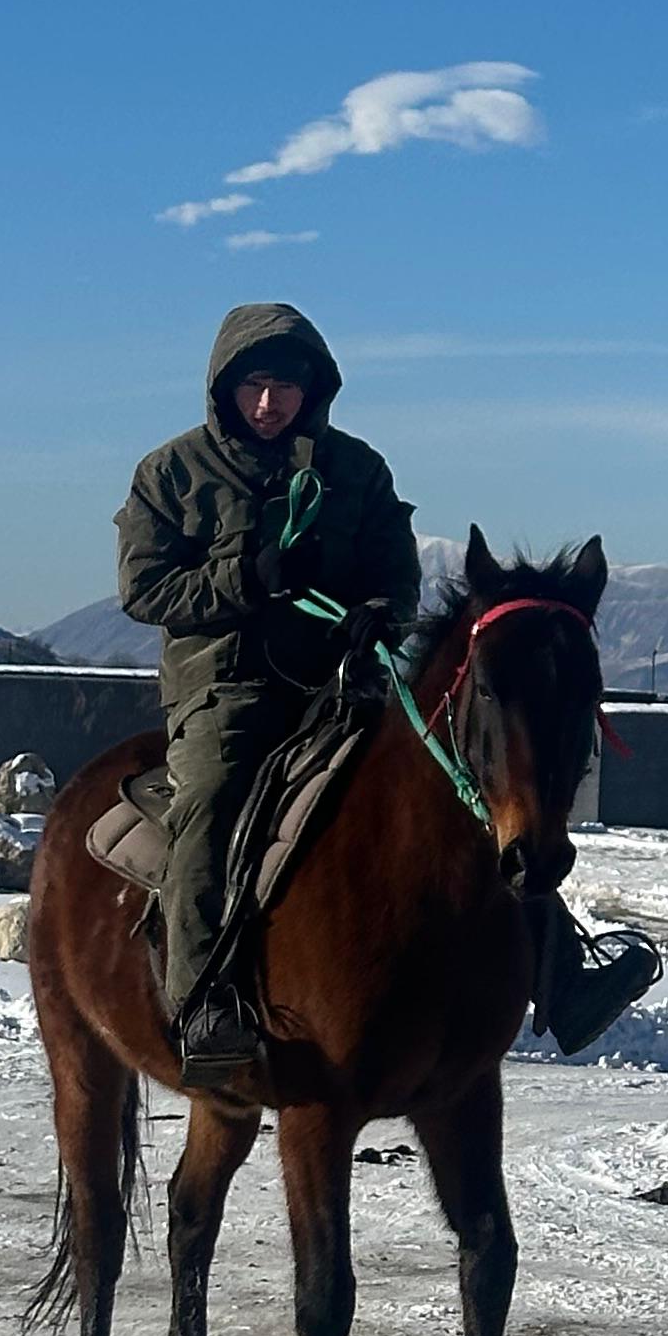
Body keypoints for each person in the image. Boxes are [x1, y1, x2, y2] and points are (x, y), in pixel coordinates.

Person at [116, 303, 421, 1087]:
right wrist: (245, 577)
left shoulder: (359, 470)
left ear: (313, 389)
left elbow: (396, 571)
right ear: (224, 387)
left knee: (453, 779)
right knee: (211, 799)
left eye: (285, 385)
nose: (268, 402)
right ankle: (202, 1001)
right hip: (227, 683)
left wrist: (381, 612)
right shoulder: (172, 472)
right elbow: (144, 588)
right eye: (254, 384)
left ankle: (559, 964)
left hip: (340, 679)